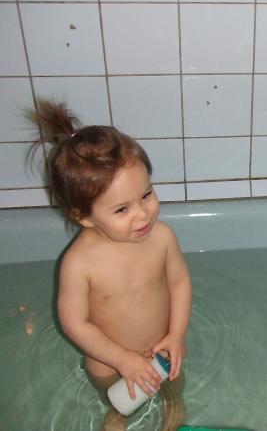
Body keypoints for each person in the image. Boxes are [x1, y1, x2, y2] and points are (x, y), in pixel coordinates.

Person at [28, 99, 192, 431]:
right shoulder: (79, 263)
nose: (142, 215)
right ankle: (119, 413)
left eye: (146, 195)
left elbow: (179, 284)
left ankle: (174, 402)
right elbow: (75, 324)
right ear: (84, 218)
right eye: (122, 210)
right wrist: (122, 360)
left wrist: (176, 334)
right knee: (117, 397)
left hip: (161, 347)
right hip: (109, 362)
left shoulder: (162, 237)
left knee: (173, 383)